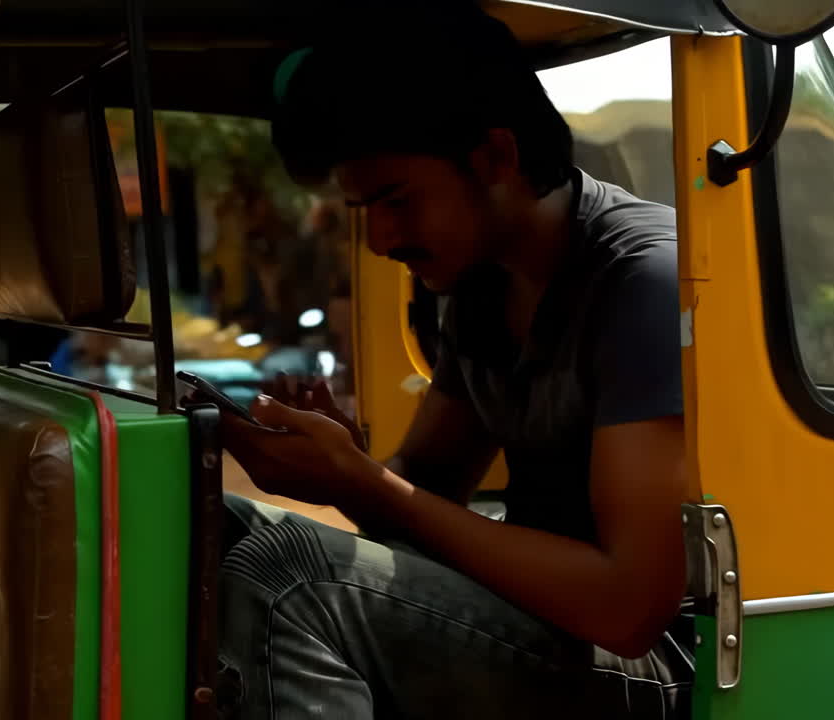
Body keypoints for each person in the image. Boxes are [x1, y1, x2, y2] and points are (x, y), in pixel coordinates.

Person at [212, 6, 696, 719]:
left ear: (496, 158)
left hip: (646, 665)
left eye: (397, 201)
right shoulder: (480, 287)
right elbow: (423, 491)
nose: (380, 239)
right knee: (224, 525)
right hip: (534, 625)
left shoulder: (642, 281)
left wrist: (368, 483)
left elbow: (630, 608)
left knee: (290, 578)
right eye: (363, 210)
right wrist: (343, 465)